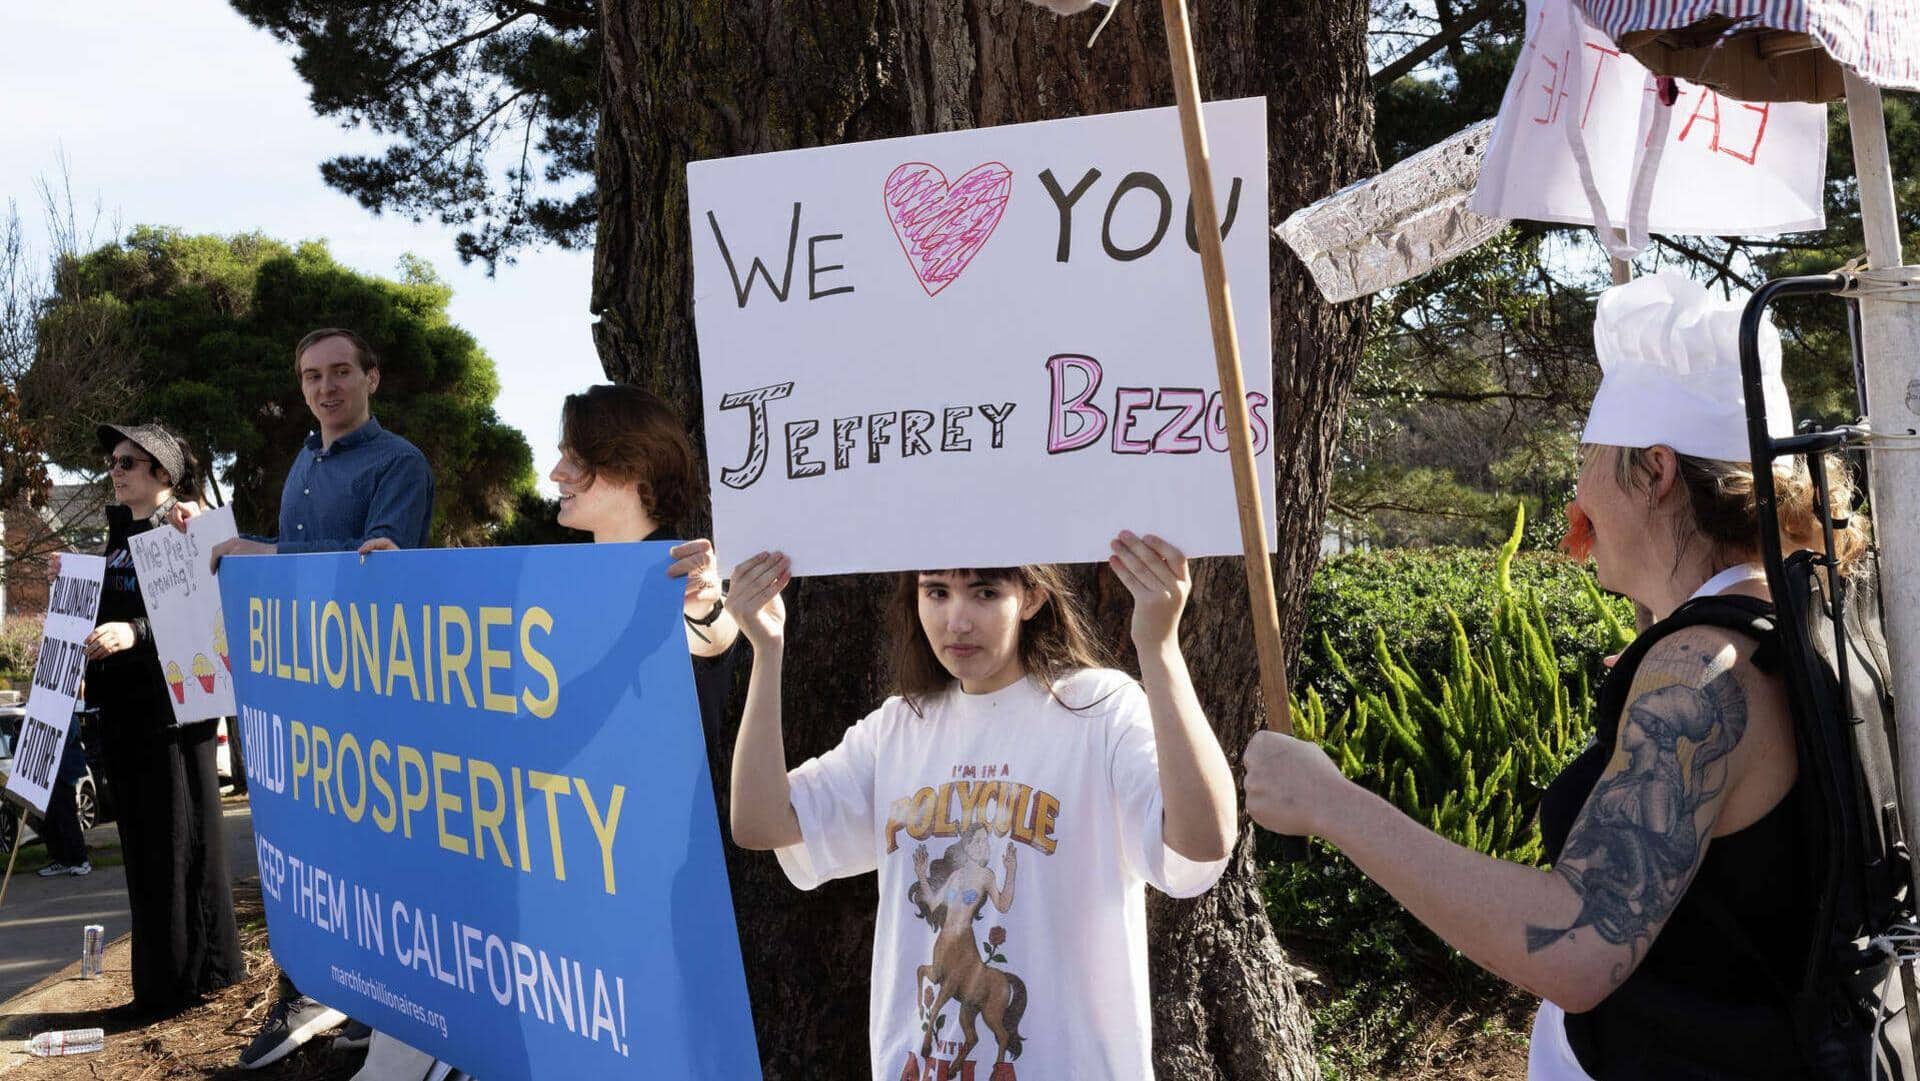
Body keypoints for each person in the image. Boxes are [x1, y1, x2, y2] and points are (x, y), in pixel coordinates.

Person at [1243, 272, 1864, 1079]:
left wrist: (1330, 802)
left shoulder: (1703, 667)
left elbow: (1579, 943)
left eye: (1590, 458)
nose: (1578, 494)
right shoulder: (1789, 616)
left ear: (1656, 471)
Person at [727, 533, 1238, 1080]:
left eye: (985, 593)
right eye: (937, 592)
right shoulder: (899, 727)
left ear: (1033, 596)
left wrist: (1160, 648)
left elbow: (1203, 840)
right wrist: (767, 650)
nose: (957, 621)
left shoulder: (1100, 709)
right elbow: (760, 822)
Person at [211, 328, 436, 1071]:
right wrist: (245, 552)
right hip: (304, 691)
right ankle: (322, 992)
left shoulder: (400, 463)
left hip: (371, 693)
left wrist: (265, 552)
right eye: (312, 376)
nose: (325, 387)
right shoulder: (304, 460)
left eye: (341, 371)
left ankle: (379, 1008)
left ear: (372, 377)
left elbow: (380, 565)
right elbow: (295, 570)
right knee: (319, 853)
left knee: (375, 854)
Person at [77, 421, 244, 1016]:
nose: (114, 471)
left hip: (174, 717)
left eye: (127, 462)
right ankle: (158, 984)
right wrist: (74, 587)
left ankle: (198, 978)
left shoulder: (186, 526)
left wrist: (134, 632)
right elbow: (111, 607)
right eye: (113, 462)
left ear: (163, 473)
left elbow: (198, 614)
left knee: (182, 847)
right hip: (125, 715)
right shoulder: (118, 534)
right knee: (145, 853)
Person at [548, 384, 742, 726]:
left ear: (632, 466)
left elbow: (714, 632)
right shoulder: (570, 583)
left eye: (576, 459)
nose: (556, 473)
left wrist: (704, 608)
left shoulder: (684, 576)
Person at [34, 722, 91, 877]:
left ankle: (81, 860)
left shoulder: (66, 715)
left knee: (67, 817)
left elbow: (69, 735)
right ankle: (62, 860)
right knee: (49, 820)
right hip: (44, 774)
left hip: (63, 773)